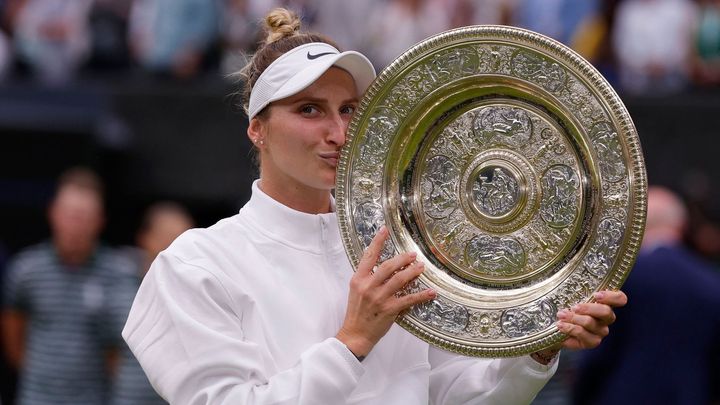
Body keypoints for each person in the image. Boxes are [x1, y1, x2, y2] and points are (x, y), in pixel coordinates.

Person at [123, 8, 627, 404]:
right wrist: (353, 341)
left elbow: (457, 397)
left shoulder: (401, 250)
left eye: (349, 110)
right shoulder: (194, 265)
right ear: (257, 128)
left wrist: (538, 348)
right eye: (309, 110)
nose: (338, 134)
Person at [572, 186, 720, 405]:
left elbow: (597, 349)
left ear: (635, 225)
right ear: (681, 225)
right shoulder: (710, 282)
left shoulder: (621, 282)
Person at [1, 167, 133, 404]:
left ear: (99, 221)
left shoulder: (119, 273)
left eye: (83, 217)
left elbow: (120, 349)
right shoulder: (26, 269)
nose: (75, 225)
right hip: (37, 397)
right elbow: (12, 333)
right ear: (53, 213)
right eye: (70, 214)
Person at [110, 202, 194, 405]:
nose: (174, 246)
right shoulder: (119, 285)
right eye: (167, 237)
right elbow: (107, 350)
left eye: (183, 238)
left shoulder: (200, 295)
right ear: (144, 239)